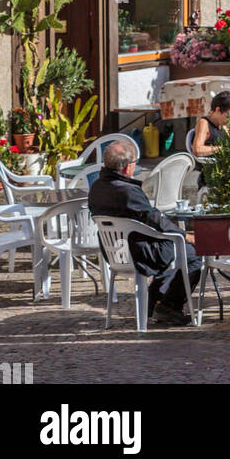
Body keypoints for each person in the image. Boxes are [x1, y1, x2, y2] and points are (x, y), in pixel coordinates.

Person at [88, 139, 201, 327]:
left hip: (115, 252)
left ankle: (153, 301)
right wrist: (185, 235)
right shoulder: (127, 191)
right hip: (140, 252)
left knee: (171, 249)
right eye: (134, 164)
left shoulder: (96, 188)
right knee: (193, 253)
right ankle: (169, 306)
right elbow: (155, 220)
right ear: (126, 168)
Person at [191, 90, 230, 162]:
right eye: (229, 116)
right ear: (218, 110)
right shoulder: (204, 123)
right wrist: (222, 149)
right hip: (209, 167)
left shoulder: (224, 125)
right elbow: (197, 150)